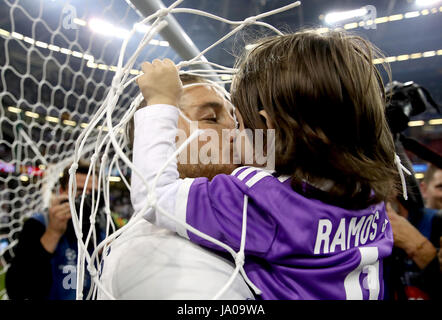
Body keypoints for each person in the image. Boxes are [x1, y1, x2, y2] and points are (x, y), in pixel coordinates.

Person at [133, 30, 398, 299]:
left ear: (269, 126)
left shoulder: (262, 200)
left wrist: (159, 102)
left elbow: (153, 194)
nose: (231, 133)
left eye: (239, 122)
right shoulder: (370, 194)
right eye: (212, 119)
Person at [97, 74, 254, 299]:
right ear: (158, 140)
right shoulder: (159, 259)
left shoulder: (235, 218)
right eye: (211, 118)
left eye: (236, 121)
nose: (238, 131)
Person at [5, 161, 104, 300]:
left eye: (93, 194)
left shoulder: (105, 229)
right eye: (79, 191)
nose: (87, 199)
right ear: (62, 192)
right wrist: (53, 233)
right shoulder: (38, 224)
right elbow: (17, 290)